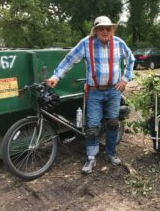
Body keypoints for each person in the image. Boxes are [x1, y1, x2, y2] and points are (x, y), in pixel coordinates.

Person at [46, 16, 135, 174]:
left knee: (113, 122)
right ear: (95, 30)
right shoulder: (86, 43)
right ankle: (91, 158)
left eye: (108, 28)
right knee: (92, 127)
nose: (105, 31)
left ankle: (111, 153)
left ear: (112, 30)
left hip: (114, 90)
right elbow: (69, 60)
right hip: (94, 92)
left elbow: (131, 59)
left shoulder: (119, 43)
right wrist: (56, 76)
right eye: (101, 28)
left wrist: (125, 79)